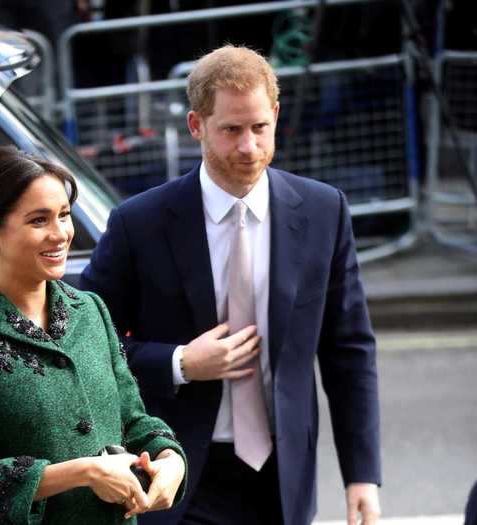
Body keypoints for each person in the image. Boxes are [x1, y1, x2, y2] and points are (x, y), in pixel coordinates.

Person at [81, 45, 381, 525]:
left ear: (276, 116)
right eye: (231, 130)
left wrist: (362, 475)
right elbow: (87, 344)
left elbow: (349, 351)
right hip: (174, 472)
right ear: (197, 126)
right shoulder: (140, 223)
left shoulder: (324, 211)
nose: (248, 147)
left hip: (282, 478)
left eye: (260, 128)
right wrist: (179, 363)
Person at [0, 146, 186, 524]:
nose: (60, 234)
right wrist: (85, 472)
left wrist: (169, 459)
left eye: (64, 215)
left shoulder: (90, 310)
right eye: (39, 220)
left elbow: (133, 420)